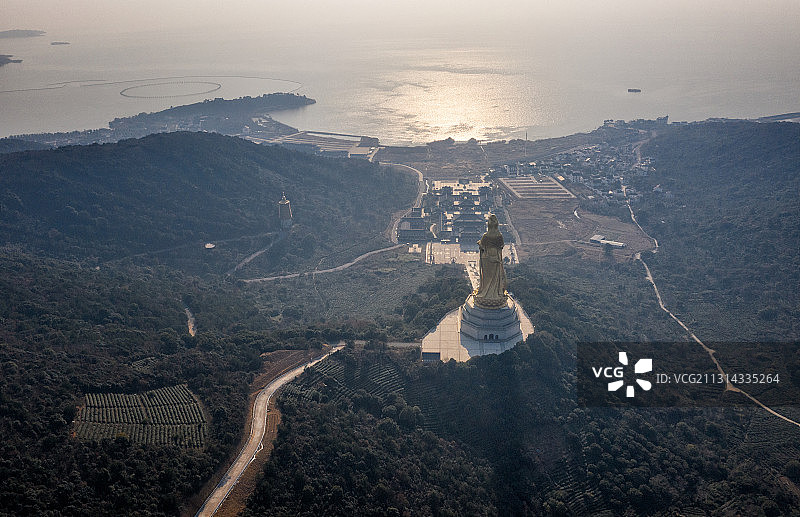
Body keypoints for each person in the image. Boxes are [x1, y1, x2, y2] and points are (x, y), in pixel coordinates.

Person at [474, 214, 508, 308]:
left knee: (487, 276)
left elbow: (482, 246)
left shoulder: (486, 235)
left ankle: (485, 292)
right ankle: (496, 293)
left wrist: (479, 243)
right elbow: (501, 246)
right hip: (496, 256)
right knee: (495, 276)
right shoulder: (499, 235)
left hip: (487, 257)